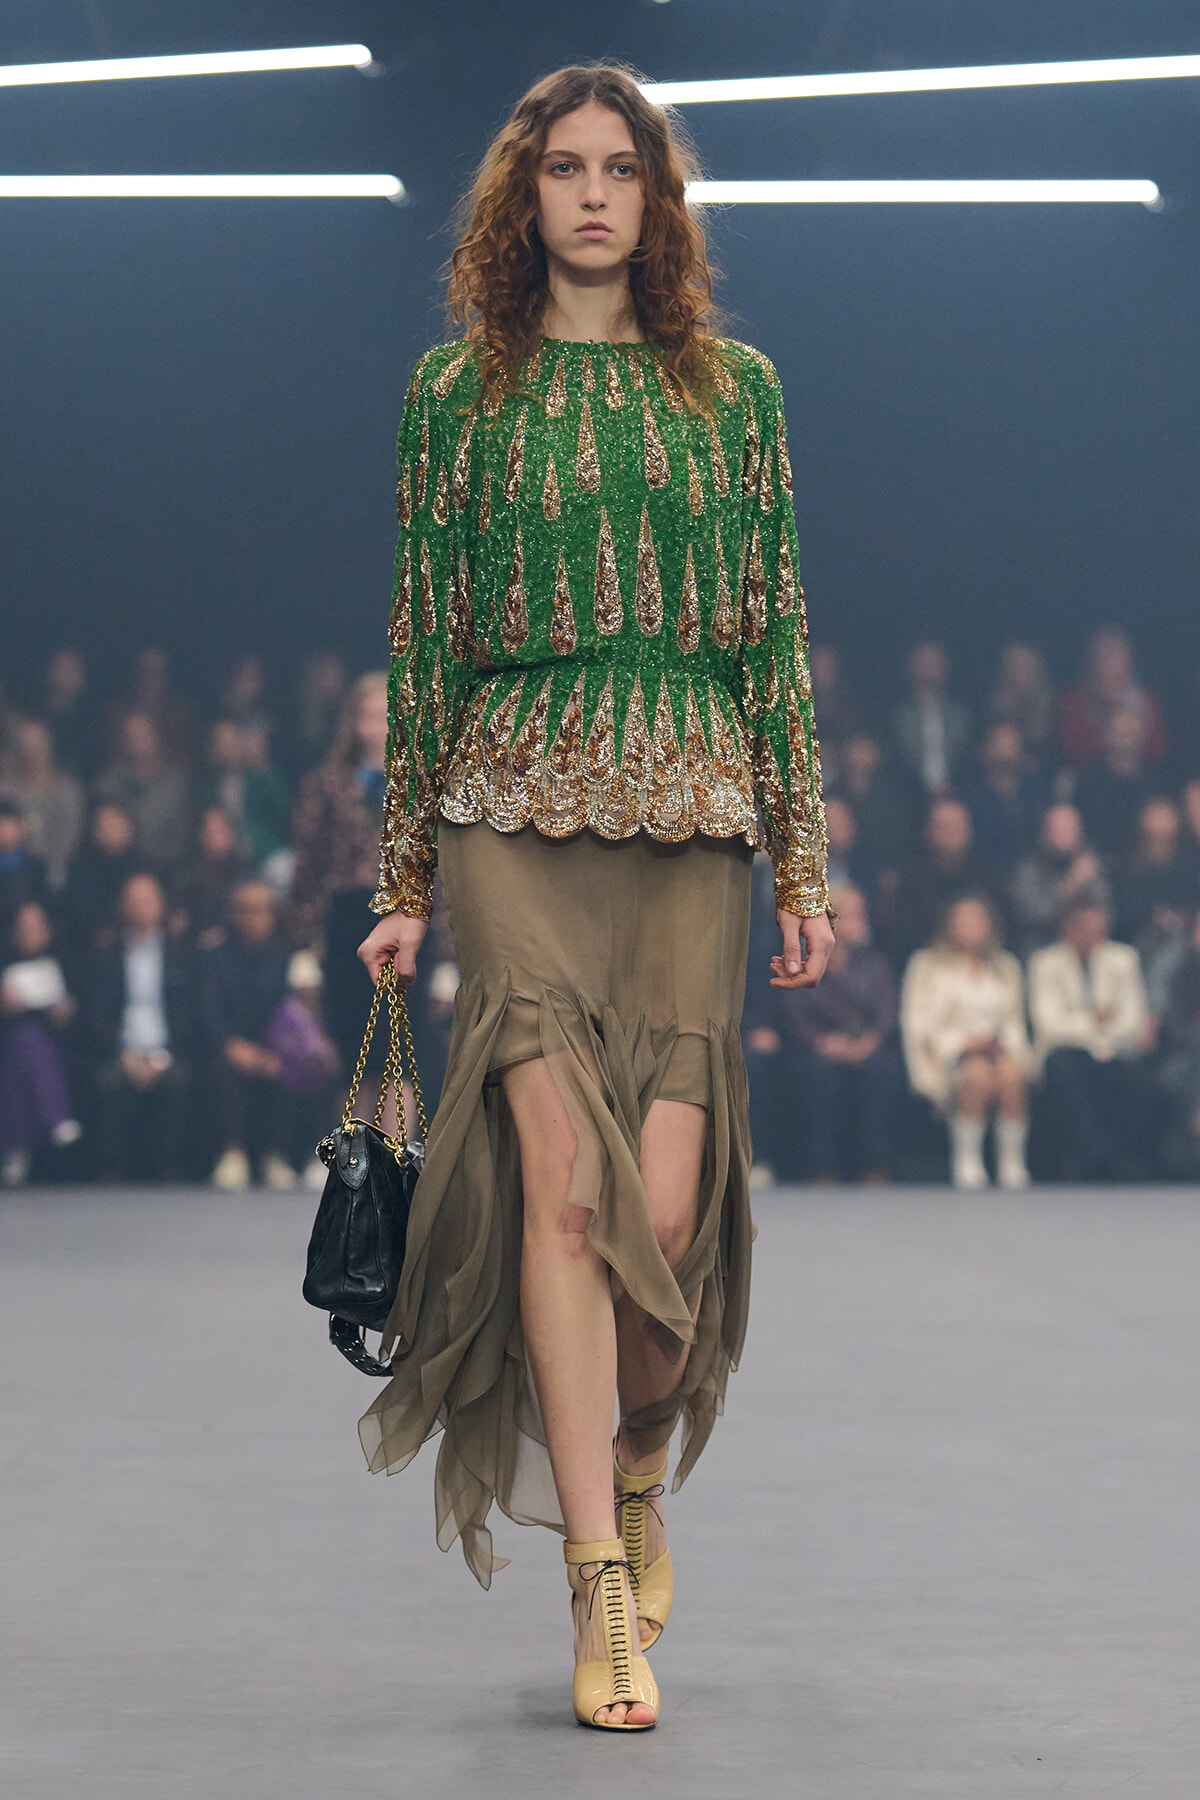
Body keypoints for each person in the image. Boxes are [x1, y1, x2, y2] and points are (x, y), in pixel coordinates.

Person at [353, 64, 832, 1731]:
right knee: (563, 1184)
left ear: (657, 198)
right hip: (511, 806)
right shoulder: (457, 396)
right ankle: (596, 1591)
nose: (594, 195)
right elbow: (426, 643)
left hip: (696, 817)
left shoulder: (735, 394)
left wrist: (804, 859)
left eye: (622, 168)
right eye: (564, 167)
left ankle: (631, 1470)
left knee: (670, 1228)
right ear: (524, 195)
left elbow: (770, 631)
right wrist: (404, 876)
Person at [286, 673, 399, 1128]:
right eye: (367, 716)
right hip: (345, 922)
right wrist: (302, 946)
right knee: (355, 1048)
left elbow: (440, 868)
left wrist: (450, 953)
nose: (376, 726)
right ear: (352, 722)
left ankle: (396, 1165)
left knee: (402, 1053)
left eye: (385, 715)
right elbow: (307, 871)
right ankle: (353, 1171)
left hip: (407, 919)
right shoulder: (326, 784)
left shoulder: (419, 782)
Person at [900, 895, 1032, 1190]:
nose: (970, 927)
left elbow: (1014, 1022)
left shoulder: (1005, 966)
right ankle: (967, 1160)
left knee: (1012, 1075)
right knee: (976, 1075)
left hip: (997, 1052)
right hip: (949, 1055)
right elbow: (920, 1025)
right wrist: (964, 1044)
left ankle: (1011, 1161)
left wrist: (1005, 1047)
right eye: (963, 920)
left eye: (977, 920)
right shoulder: (927, 965)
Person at [778, 883, 900, 1182]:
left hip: (866, 1046)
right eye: (856, 915)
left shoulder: (876, 964)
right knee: (817, 1071)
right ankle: (820, 1166)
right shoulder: (803, 962)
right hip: (818, 1049)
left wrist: (870, 1042)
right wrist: (823, 1042)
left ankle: (876, 1166)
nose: (864, 921)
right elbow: (794, 1014)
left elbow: (887, 1014)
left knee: (880, 1070)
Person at [1028, 903, 1156, 1180]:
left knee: (1144, 1084)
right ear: (1067, 929)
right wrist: (1095, 1022)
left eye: (1099, 930)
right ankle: (1091, 1159)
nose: (1092, 936)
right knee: (1065, 1072)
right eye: (1085, 929)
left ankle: (1121, 1159)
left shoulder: (1123, 958)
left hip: (1114, 1051)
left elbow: (1133, 1021)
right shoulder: (1045, 962)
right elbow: (1049, 1025)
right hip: (1066, 1053)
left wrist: (1086, 1024)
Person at [86, 872, 196, 1181]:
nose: (140, 908)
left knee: (179, 1079)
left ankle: (166, 1167)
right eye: (133, 902)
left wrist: (162, 1057)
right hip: (122, 1050)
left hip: (166, 1049)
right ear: (122, 907)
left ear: (161, 906)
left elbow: (187, 1013)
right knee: (106, 1080)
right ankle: (114, 1168)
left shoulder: (179, 954)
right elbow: (97, 1014)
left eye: (147, 901)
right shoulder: (106, 954)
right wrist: (123, 1054)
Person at [198, 880, 295, 1190]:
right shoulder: (214, 957)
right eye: (246, 911)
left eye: (261, 911)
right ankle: (232, 1153)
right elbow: (207, 1011)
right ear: (233, 915)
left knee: (294, 1067)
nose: (253, 918)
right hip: (228, 1046)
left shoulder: (284, 959)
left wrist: (274, 1050)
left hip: (272, 1049)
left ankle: (274, 1155)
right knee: (223, 1069)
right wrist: (230, 1043)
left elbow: (290, 1012)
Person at [0, 901, 82, 1185]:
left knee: (30, 1048)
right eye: (23, 929)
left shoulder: (67, 963)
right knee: (23, 1043)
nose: (29, 934)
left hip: (59, 1044)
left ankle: (15, 1149)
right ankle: (55, 1115)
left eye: (36, 928)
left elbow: (82, 1016)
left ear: (47, 931)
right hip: (11, 1041)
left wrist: (66, 1013)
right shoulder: (5, 968)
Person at [885, 797, 1000, 965]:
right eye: (944, 827)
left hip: (982, 960)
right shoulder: (910, 879)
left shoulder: (987, 877)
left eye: (957, 827)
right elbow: (904, 933)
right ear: (928, 831)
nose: (951, 834)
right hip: (928, 960)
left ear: (969, 830)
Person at [1009, 802, 1112, 960]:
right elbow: (1030, 915)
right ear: (1044, 833)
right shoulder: (1028, 870)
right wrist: (1070, 887)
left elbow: (1106, 910)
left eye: (1070, 830)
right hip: (1043, 945)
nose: (1064, 837)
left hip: (1090, 945)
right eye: (1057, 830)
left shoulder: (1090, 865)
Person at [93, 711, 192, 872]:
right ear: (122, 741)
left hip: (161, 872)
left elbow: (180, 843)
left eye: (144, 737)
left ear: (157, 738)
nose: (137, 744)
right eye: (131, 737)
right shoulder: (107, 784)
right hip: (111, 872)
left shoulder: (175, 787)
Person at [1059, 627, 1167, 770]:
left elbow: (1159, 749)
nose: (1116, 662)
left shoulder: (1147, 699)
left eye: (1122, 654)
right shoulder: (1075, 700)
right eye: (1108, 654)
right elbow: (1072, 749)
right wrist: (1109, 740)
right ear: (1093, 661)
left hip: (1141, 778)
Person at [0, 718, 85, 891]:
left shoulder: (66, 791)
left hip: (53, 872)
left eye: (37, 745)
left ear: (49, 747)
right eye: (25, 745)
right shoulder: (4, 788)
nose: (31, 752)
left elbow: (67, 842)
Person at [1072, 705, 1159, 862]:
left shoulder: (1156, 780)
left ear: (1142, 735)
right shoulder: (1088, 782)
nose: (1127, 742)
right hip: (1102, 865)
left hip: (1148, 864)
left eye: (1131, 734)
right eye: (1121, 734)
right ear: (1105, 735)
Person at [963, 722, 1051, 868]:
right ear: (985, 751)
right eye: (999, 745)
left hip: (1038, 871)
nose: (1005, 754)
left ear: (1022, 752)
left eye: (1011, 745)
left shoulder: (1038, 791)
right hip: (990, 872)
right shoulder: (974, 799)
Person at [892, 640, 971, 799]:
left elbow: (965, 757)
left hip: (957, 793)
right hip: (908, 794)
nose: (930, 669)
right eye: (924, 662)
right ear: (911, 667)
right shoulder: (898, 715)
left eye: (935, 663)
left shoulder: (960, 714)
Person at [987, 642, 1055, 767]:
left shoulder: (1053, 712)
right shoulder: (990, 713)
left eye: (1026, 667)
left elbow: (1054, 758)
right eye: (1014, 667)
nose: (1019, 675)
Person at [0, 799, 51, 939]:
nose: (5, 830)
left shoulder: (37, 867)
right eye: (2, 825)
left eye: (11, 824)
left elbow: (46, 904)